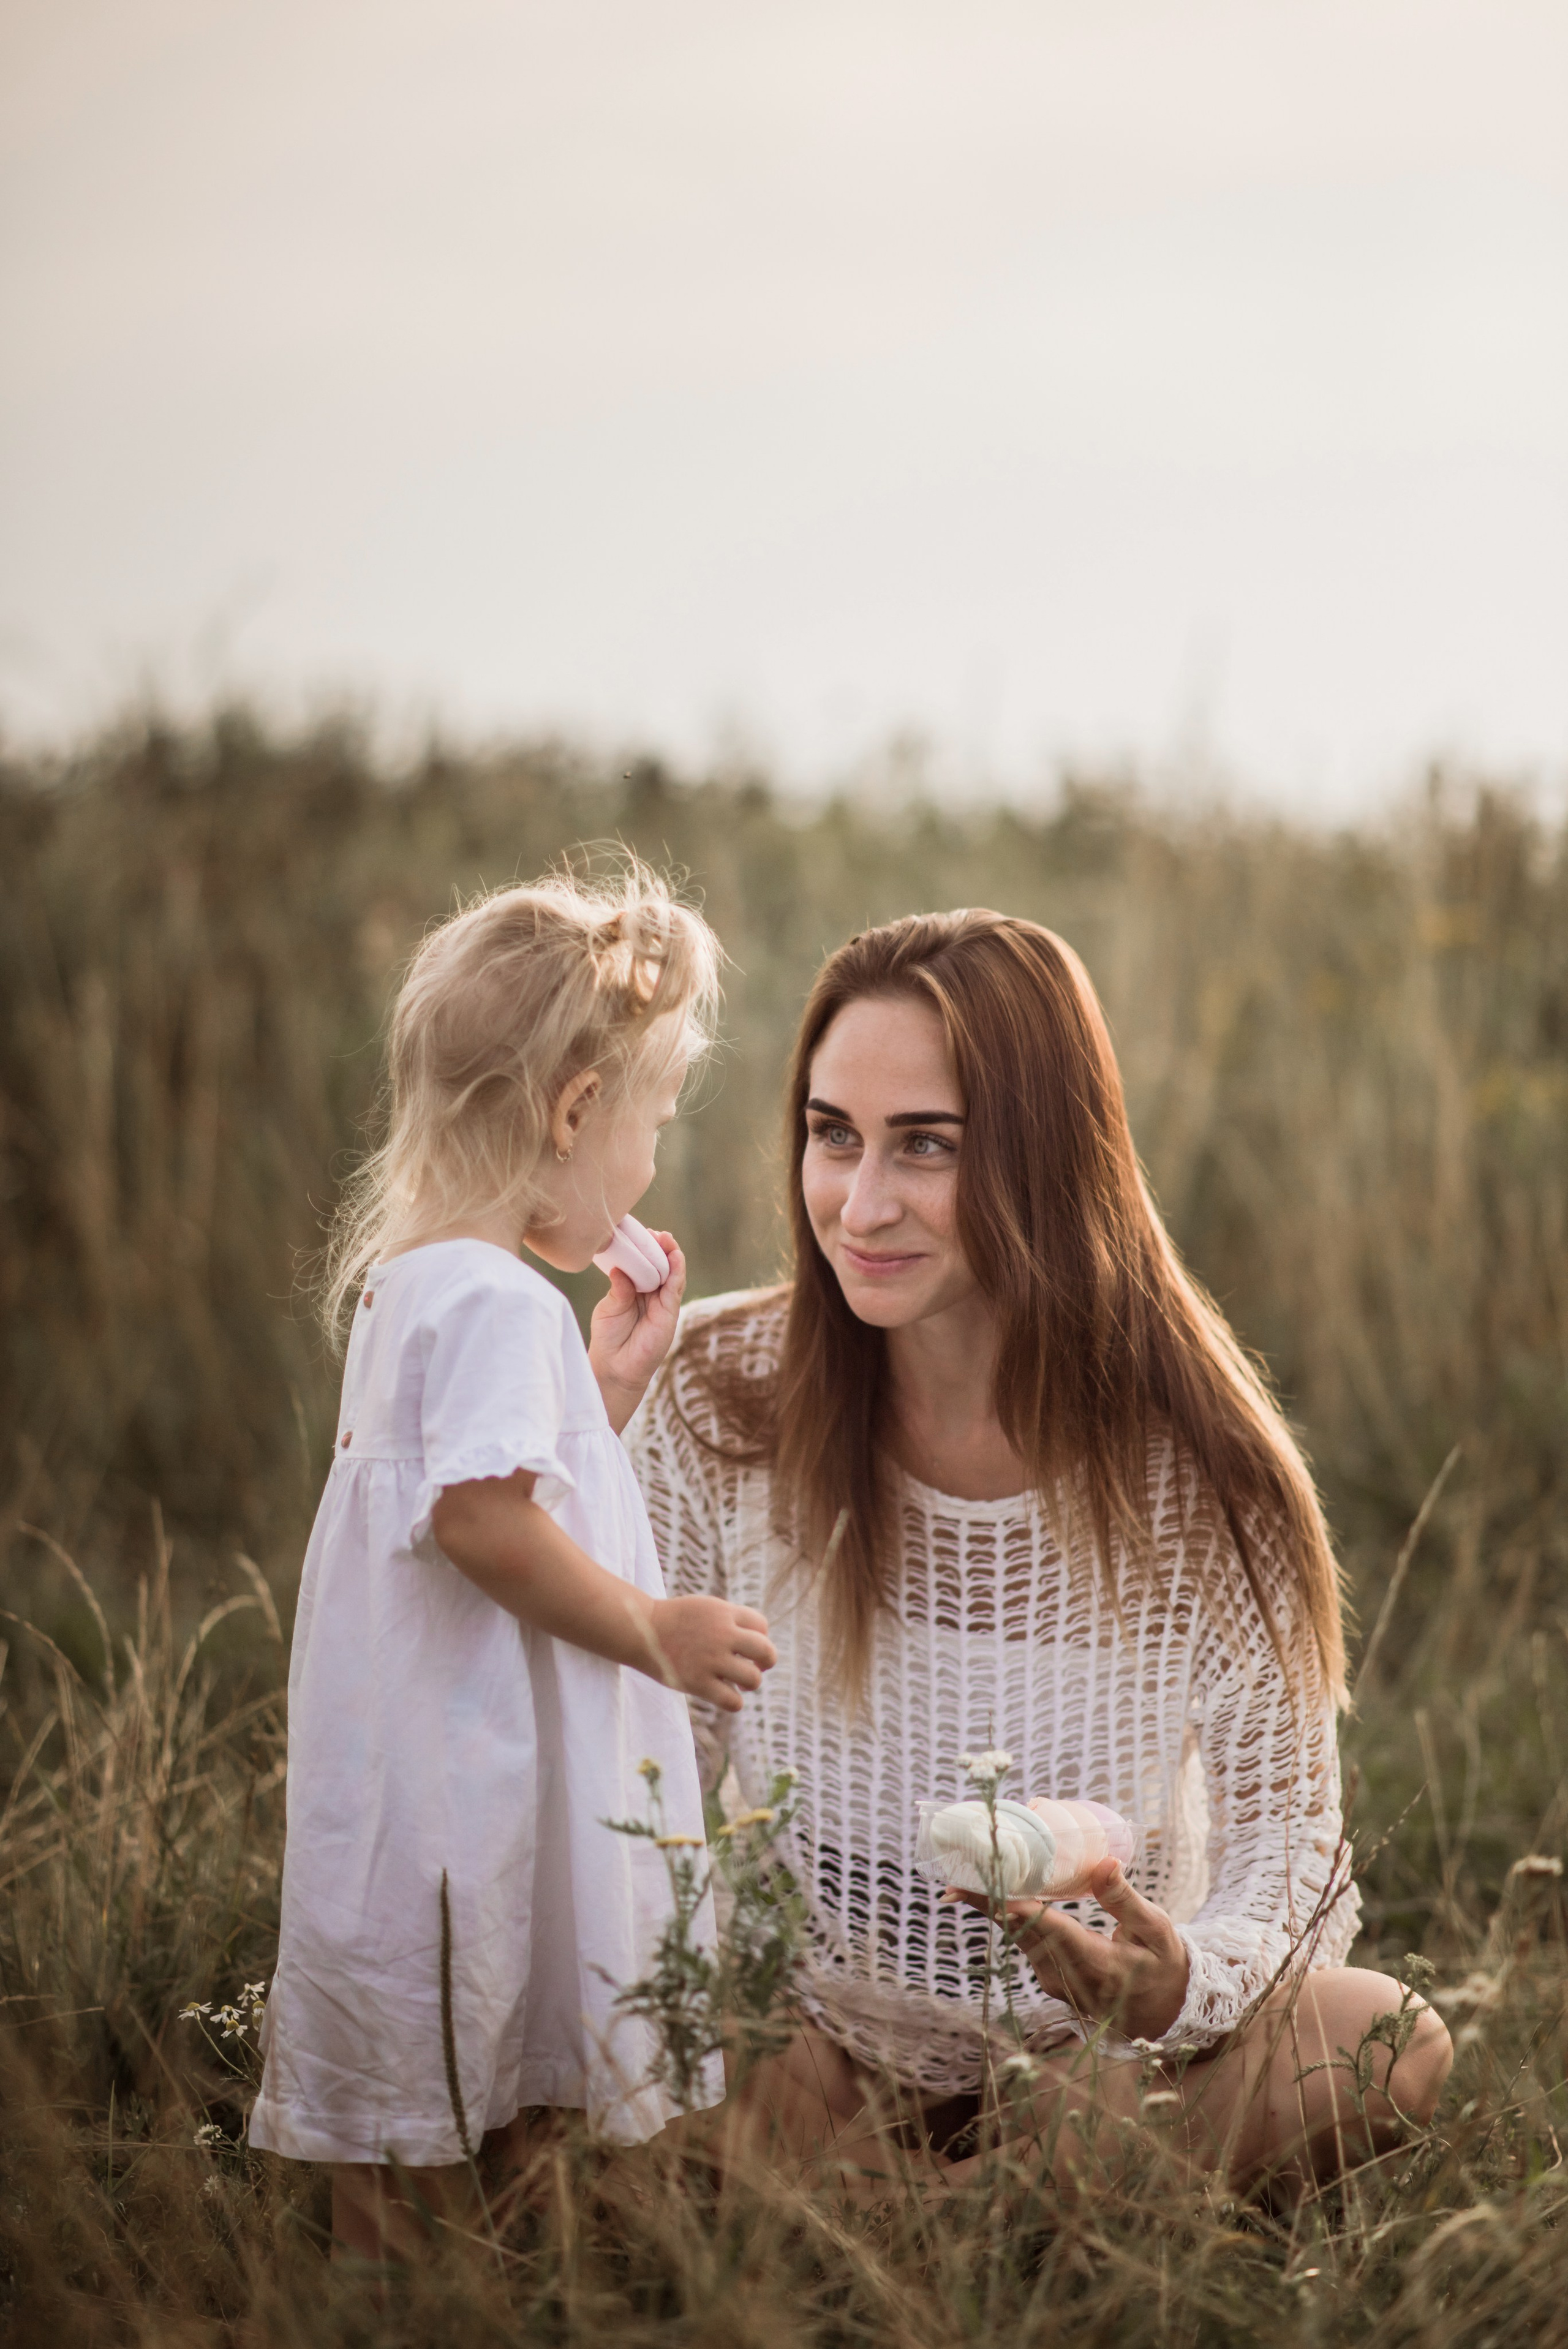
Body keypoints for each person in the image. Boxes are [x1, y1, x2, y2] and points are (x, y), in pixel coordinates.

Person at [627, 909, 1452, 2198]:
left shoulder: (1204, 1473)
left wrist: (1174, 1978)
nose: (861, 1199)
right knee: (599, 2016)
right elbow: (640, 1765)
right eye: (832, 1133)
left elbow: (1289, 1841)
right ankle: (977, 2225)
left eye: (927, 1147)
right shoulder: (717, 1394)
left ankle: (907, 2222)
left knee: (1389, 2038)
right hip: (803, 2040)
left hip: (1104, 2071)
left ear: (1044, 1156)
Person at [248, 869, 777, 2260]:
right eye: (654, 1122)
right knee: (463, 2022)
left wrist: (600, 1386)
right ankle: (436, 2284)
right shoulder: (489, 1298)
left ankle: (425, 2273)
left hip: (413, 1745)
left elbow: (482, 1495)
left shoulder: (419, 1280)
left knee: (437, 2037)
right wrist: (653, 1630)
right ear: (572, 1110)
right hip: (467, 1760)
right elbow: (483, 1526)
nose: (652, 1162)